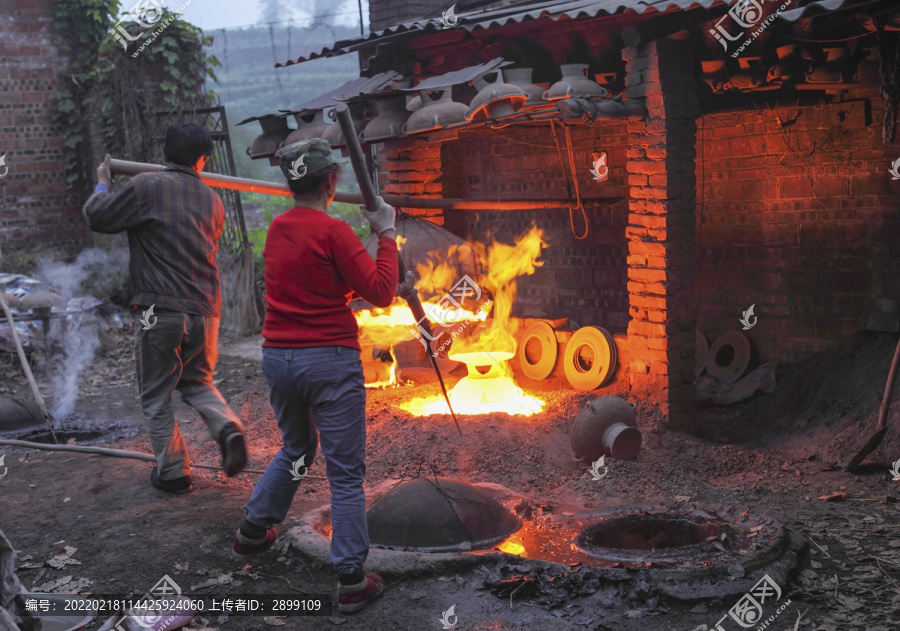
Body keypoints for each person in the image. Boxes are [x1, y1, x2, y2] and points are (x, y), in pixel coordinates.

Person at [232, 138, 411, 615]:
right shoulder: (334, 232)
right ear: (331, 181)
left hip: (279, 359)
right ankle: (352, 580)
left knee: (296, 447)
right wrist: (387, 233)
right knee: (346, 474)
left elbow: (316, 282)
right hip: (328, 362)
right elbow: (381, 293)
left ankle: (253, 531)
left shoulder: (275, 229)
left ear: (290, 182)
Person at [83, 122, 248, 494]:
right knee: (198, 381)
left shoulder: (146, 186)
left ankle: (174, 473)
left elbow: (98, 215)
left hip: (158, 308)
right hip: (206, 310)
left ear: (166, 153)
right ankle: (227, 427)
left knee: (156, 394)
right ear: (203, 159)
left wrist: (103, 181)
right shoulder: (214, 200)